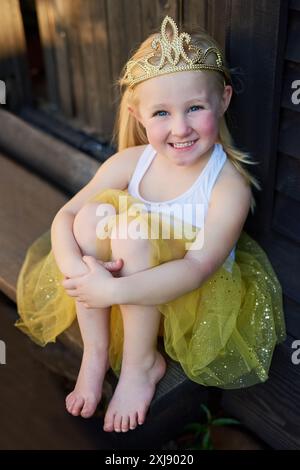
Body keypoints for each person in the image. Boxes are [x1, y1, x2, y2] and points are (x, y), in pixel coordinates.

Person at [16, 15, 286, 434]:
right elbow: (65, 216)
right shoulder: (128, 163)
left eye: (195, 108)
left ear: (224, 100)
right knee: (91, 218)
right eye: (162, 112)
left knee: (130, 230)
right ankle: (97, 350)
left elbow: (197, 268)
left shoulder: (227, 186)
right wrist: (77, 271)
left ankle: (142, 364)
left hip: (182, 297)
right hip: (113, 290)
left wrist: (113, 290)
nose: (180, 128)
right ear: (137, 114)